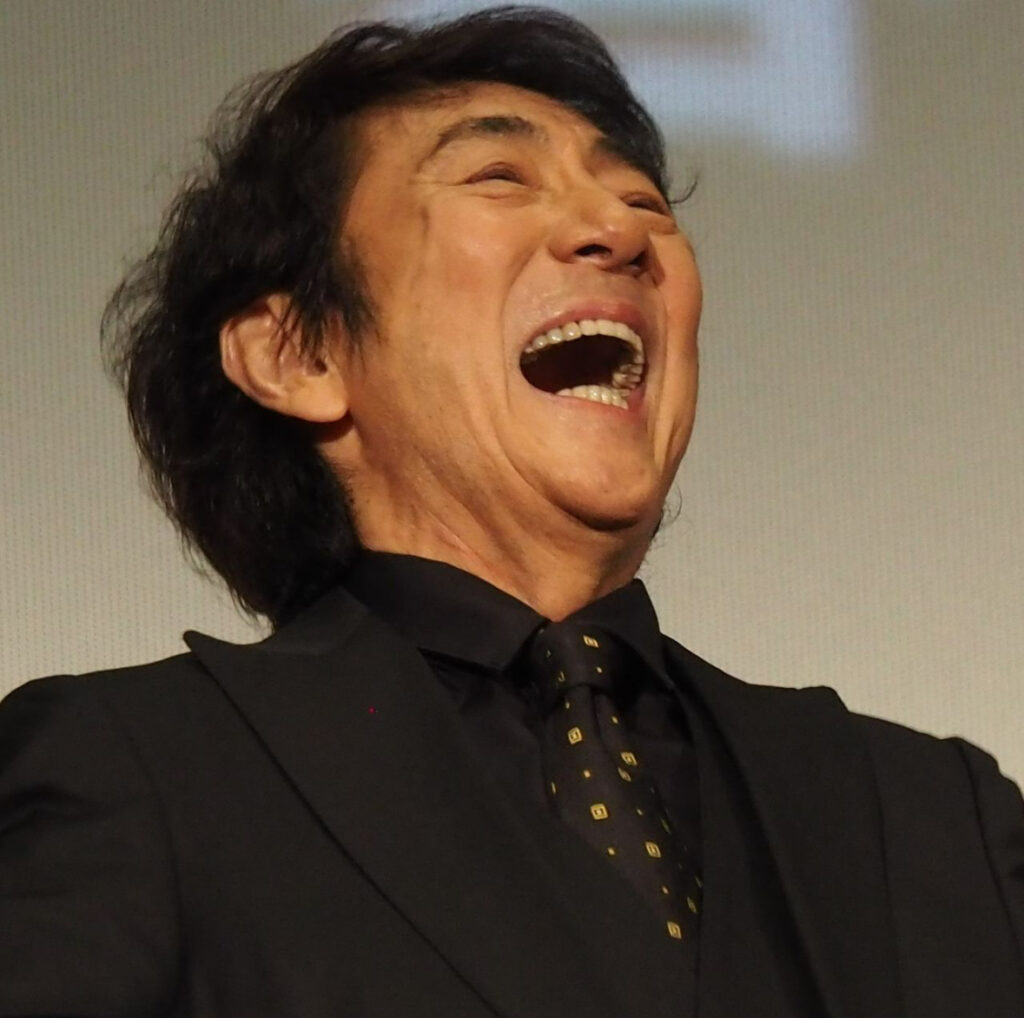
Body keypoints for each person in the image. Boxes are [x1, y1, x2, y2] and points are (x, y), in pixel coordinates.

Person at [1, 7, 1021, 1017]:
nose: (621, 230)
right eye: (499, 177)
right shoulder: (145, 770)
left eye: (643, 200)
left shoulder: (935, 816)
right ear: (298, 354)